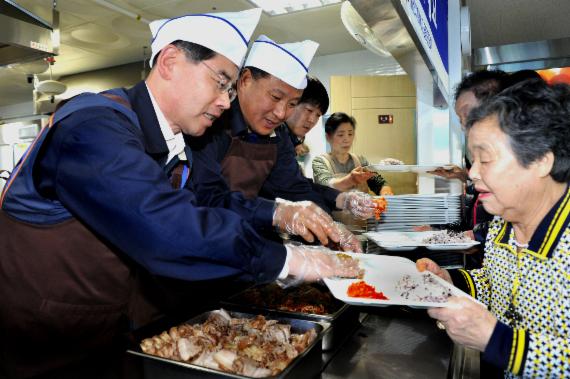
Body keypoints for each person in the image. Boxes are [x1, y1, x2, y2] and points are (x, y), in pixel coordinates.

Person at [0, 10, 359, 378]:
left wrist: (280, 213)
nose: (225, 101)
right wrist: (286, 260)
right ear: (170, 61)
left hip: (103, 328)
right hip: (40, 340)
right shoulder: (93, 125)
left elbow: (209, 201)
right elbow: (163, 225)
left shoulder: (176, 143)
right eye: (221, 82)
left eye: (230, 89)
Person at [418, 79, 570, 378]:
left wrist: (497, 340)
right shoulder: (502, 222)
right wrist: (448, 280)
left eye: (485, 159)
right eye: (473, 160)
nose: (472, 173)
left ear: (541, 160)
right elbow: (495, 282)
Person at [189, 35, 376, 250]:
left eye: (292, 104)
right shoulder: (212, 122)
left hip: (244, 240)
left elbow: (295, 188)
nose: (280, 113)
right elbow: (207, 197)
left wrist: (332, 221)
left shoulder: (277, 135)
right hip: (202, 243)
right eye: (276, 97)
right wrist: (277, 212)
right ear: (246, 80)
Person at [312, 112, 393, 195]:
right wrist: (351, 180)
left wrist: (386, 191)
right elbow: (326, 184)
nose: (347, 139)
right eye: (341, 135)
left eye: (350, 134)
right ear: (328, 137)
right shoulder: (320, 162)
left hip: (362, 207)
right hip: (332, 208)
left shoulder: (360, 161)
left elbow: (378, 182)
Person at [285, 75, 329, 161]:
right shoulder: (272, 140)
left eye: (318, 115)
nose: (312, 120)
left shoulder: (290, 139)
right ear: (291, 103)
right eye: (309, 110)